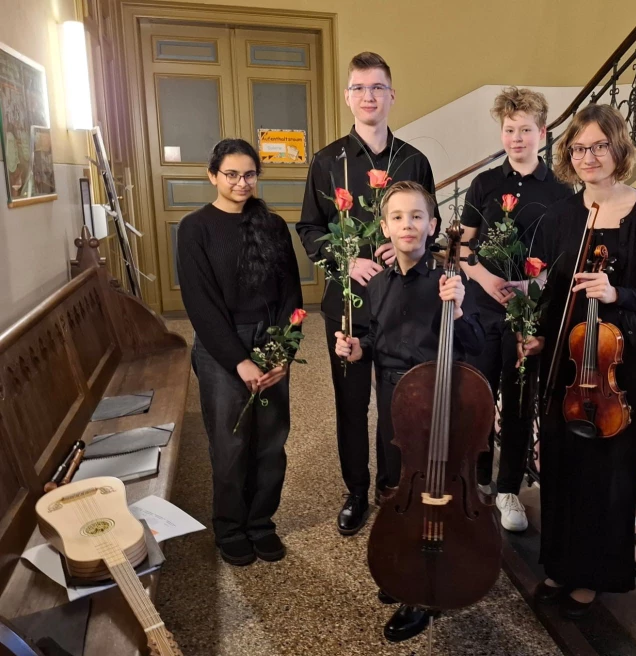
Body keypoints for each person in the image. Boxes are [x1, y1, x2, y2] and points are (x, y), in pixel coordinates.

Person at [529, 104, 636, 618]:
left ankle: (591, 576)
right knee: (562, 467)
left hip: (612, 368)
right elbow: (550, 292)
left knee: (604, 475)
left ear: (618, 148)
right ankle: (558, 565)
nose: (588, 156)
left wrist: (617, 293)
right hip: (566, 365)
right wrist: (535, 337)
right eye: (578, 148)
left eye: (597, 146)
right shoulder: (565, 216)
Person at [298, 52, 441, 536]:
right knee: (353, 403)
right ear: (348, 97)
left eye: (377, 87)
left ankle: (393, 485)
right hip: (350, 305)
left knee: (400, 400)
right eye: (359, 88)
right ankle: (356, 490)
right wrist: (345, 260)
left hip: (405, 305)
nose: (368, 96)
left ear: (391, 95)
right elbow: (309, 228)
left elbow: (429, 228)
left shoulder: (414, 160)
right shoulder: (327, 161)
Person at [335, 180, 484, 643]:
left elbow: (478, 345)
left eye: (417, 216)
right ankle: (408, 572)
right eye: (397, 217)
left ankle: (423, 593)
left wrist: (459, 312)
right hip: (396, 406)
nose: (408, 224)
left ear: (432, 225)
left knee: (432, 496)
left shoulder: (448, 282)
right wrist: (358, 349)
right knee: (398, 486)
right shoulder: (377, 286)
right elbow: (380, 343)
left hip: (438, 407)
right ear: (384, 227)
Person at [177, 138, 302, 567]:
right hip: (221, 347)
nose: (241, 182)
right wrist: (240, 360)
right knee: (230, 446)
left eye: (249, 174)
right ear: (213, 175)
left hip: (271, 340)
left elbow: (291, 295)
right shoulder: (195, 229)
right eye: (231, 174)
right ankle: (230, 527)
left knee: (270, 442)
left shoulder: (273, 225)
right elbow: (201, 305)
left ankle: (261, 523)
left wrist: (285, 350)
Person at [459, 87, 572, 532]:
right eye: (510, 130)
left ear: (542, 133)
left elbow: (564, 257)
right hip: (483, 310)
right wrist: (484, 278)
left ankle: (509, 490)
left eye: (526, 129)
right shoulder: (484, 184)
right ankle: (479, 481)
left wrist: (535, 285)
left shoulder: (562, 190)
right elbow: (464, 245)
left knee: (521, 401)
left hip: (529, 315)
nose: (517, 138)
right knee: (480, 397)